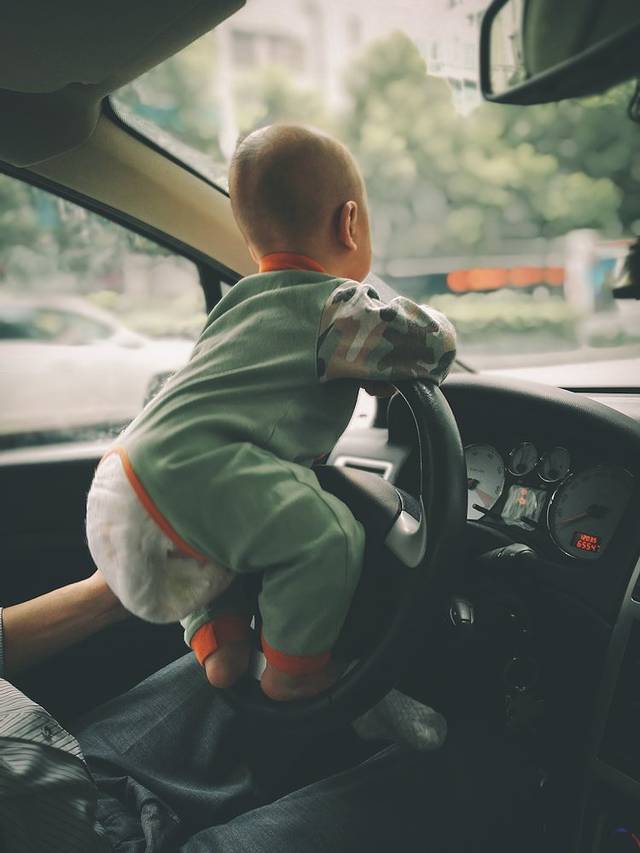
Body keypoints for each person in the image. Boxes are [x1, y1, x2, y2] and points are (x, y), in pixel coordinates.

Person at [85, 124, 457, 708]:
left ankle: (221, 641)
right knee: (330, 534)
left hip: (121, 481)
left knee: (239, 525)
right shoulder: (336, 306)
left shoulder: (237, 303)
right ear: (349, 223)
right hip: (186, 477)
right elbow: (433, 347)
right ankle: (295, 672)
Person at [0, 572, 542, 852]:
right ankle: (528, 764)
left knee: (257, 659)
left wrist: (113, 593)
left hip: (53, 762)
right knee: (450, 774)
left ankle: (366, 705)